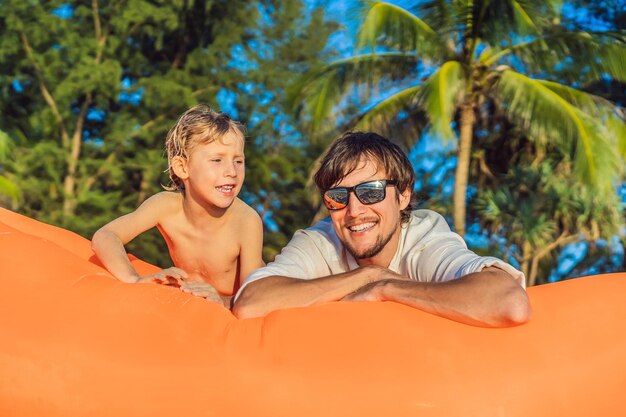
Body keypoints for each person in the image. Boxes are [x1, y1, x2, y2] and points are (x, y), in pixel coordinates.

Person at [233, 131, 531, 326]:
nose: (354, 210)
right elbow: (251, 303)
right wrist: (369, 275)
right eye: (338, 197)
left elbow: (509, 302)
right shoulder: (320, 241)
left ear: (403, 196)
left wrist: (385, 289)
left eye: (371, 191)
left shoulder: (423, 238)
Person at [92, 104, 264, 308]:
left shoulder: (245, 221)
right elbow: (105, 236)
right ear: (182, 167)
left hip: (232, 303)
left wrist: (223, 301)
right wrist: (134, 279)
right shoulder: (166, 206)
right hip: (191, 305)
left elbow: (254, 296)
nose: (232, 172)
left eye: (238, 161)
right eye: (217, 160)